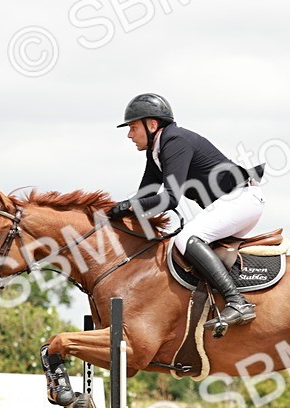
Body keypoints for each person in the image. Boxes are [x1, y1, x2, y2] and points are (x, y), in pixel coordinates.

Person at [107, 93, 266, 333]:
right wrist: (110, 213)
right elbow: (144, 196)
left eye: (132, 127)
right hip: (231, 204)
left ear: (152, 125)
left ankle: (237, 302)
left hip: (241, 200)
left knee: (185, 239)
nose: (129, 135)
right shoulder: (156, 151)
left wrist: (130, 206)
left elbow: (170, 199)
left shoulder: (175, 142)